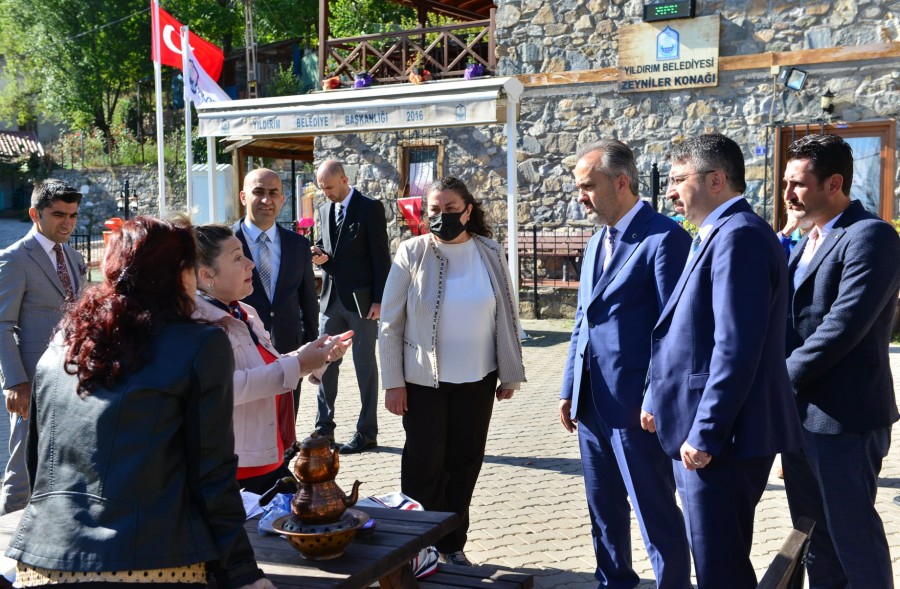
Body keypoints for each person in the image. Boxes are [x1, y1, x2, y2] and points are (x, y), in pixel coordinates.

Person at [5, 216, 272, 589]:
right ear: (178, 274)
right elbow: (211, 473)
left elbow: (37, 459)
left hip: (42, 560)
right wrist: (242, 573)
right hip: (148, 561)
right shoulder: (200, 344)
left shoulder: (64, 341)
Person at [639, 134, 803, 589]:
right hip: (704, 429)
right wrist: (656, 394)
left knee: (720, 570)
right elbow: (688, 331)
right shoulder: (719, 232)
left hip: (722, 439)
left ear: (716, 180)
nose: (670, 193)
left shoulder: (739, 236)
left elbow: (735, 348)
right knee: (716, 561)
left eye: (678, 180)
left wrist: (706, 432)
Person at [560, 140, 692, 589]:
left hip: (637, 407)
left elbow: (675, 330)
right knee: (603, 509)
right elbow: (583, 319)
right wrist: (569, 386)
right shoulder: (597, 240)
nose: (581, 196)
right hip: (591, 403)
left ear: (621, 182)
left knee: (654, 509)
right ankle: (613, 582)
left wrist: (656, 396)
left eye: (588, 186)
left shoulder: (665, 239)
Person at [380, 176, 526, 567]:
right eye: (434, 210)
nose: (441, 216)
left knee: (464, 465)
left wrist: (510, 372)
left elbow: (507, 314)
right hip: (423, 382)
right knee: (423, 466)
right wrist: (393, 383)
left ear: (467, 210)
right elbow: (390, 323)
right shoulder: (412, 251)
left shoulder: (490, 251)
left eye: (450, 209)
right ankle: (419, 547)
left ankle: (451, 545)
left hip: (478, 380)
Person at [781, 133, 900, 589]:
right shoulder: (807, 240)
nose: (788, 193)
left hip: (844, 421)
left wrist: (776, 382)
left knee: (854, 538)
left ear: (834, 184)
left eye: (798, 183)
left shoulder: (870, 236)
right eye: (786, 182)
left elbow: (841, 328)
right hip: (800, 418)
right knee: (814, 538)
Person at [193, 224, 350, 495]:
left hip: (268, 457)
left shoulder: (244, 311)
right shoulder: (198, 323)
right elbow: (226, 388)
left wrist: (316, 355)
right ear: (207, 274)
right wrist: (299, 364)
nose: (250, 264)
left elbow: (265, 366)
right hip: (237, 470)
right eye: (237, 258)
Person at [0, 179, 84, 515]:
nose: (67, 223)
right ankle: (8, 532)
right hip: (31, 383)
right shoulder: (14, 259)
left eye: (73, 215)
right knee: (23, 466)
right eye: (58, 215)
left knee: (64, 464)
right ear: (35, 214)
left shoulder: (75, 257)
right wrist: (15, 382)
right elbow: (2, 325)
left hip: (73, 379)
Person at [312, 160, 391, 454]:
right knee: (324, 363)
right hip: (330, 301)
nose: (326, 193)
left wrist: (380, 300)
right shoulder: (324, 210)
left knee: (364, 366)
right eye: (322, 188)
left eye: (330, 187)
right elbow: (327, 247)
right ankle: (324, 430)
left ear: (345, 180)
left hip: (362, 303)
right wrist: (318, 253)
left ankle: (367, 432)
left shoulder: (370, 208)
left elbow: (381, 257)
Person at [233, 168, 319, 420]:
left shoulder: (298, 244)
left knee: (286, 422)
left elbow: (308, 301)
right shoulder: (225, 243)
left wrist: (312, 346)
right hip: (242, 350)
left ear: (282, 199)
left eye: (273, 193)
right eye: (258, 192)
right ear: (243, 197)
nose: (266, 199)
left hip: (288, 349)